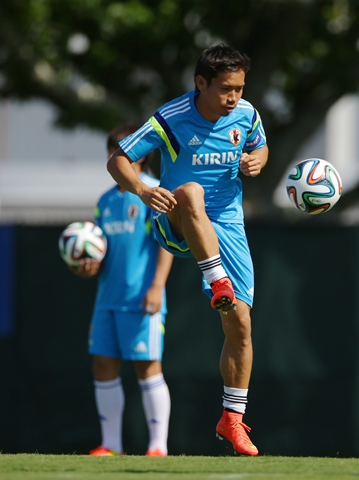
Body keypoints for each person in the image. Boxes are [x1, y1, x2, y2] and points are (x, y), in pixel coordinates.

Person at [107, 44, 268, 456]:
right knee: (193, 192)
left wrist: (258, 160)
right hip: (176, 219)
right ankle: (216, 280)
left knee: (242, 325)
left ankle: (232, 418)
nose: (234, 97)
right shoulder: (172, 117)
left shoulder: (246, 115)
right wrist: (144, 189)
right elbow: (119, 161)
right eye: (226, 89)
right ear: (201, 83)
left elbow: (260, 145)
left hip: (227, 226)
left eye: (239, 88)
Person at [71, 125, 174, 456]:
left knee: (147, 367)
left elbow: (168, 244)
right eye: (113, 151)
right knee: (103, 365)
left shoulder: (156, 192)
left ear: (142, 154)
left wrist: (157, 286)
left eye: (124, 151)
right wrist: (86, 266)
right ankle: (111, 444)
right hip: (107, 300)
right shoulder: (105, 200)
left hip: (141, 299)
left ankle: (158, 447)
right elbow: (98, 249)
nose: (117, 157)